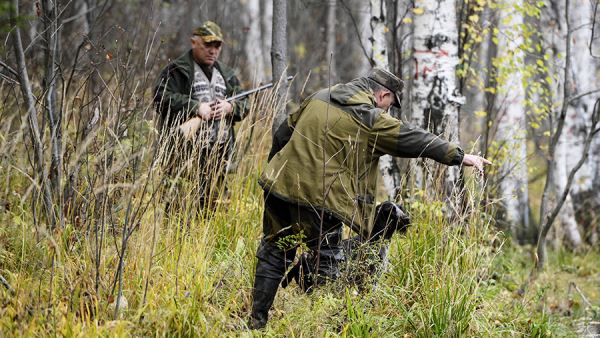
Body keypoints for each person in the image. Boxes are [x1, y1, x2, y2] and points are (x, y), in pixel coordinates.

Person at [249, 67, 492, 329]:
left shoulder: (320, 96)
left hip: (278, 187)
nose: (388, 111)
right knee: (327, 265)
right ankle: (320, 329)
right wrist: (459, 156)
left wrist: (275, 172)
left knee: (274, 252)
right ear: (383, 94)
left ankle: (256, 323)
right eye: (390, 105)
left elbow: (282, 135)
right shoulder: (370, 118)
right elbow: (413, 138)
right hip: (321, 199)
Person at [154, 21, 248, 211]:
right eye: (207, 45)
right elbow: (161, 98)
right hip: (183, 155)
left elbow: (245, 105)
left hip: (219, 155)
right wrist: (195, 108)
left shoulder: (228, 74)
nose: (213, 51)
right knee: (179, 210)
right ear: (194, 42)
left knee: (217, 210)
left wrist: (230, 107)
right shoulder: (176, 70)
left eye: (217, 46)